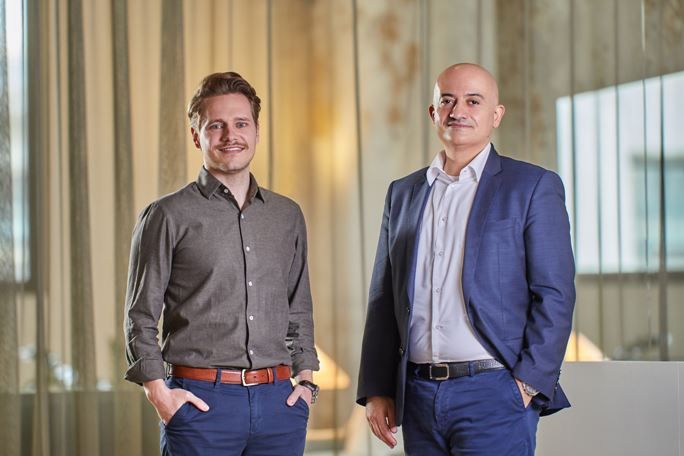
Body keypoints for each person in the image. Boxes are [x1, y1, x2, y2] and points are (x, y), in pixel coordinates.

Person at [356, 63, 575, 455]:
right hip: (418, 395)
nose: (458, 111)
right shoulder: (402, 193)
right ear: (433, 112)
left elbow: (555, 294)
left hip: (495, 393)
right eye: (447, 100)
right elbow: (384, 297)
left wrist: (526, 385)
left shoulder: (532, 186)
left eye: (473, 101)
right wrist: (377, 388)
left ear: (496, 115)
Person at [124, 72, 320, 455]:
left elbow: (298, 308)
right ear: (197, 136)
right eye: (217, 125)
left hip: (279, 404)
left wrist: (306, 382)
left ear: (257, 131)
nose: (231, 135)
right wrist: (160, 395)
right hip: (201, 405)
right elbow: (140, 316)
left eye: (241, 123)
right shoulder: (166, 216)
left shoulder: (287, 215)